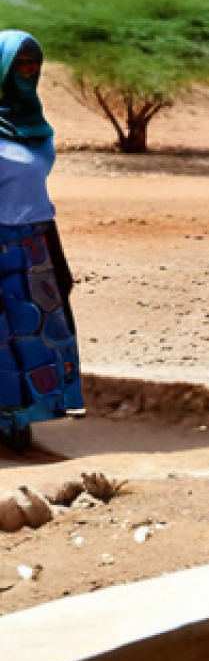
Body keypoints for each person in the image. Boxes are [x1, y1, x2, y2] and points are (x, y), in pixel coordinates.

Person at [0, 30, 83, 453]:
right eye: (20, 64)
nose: (28, 71)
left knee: (37, 336)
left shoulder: (35, 126)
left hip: (36, 242)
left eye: (33, 64)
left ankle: (23, 423)